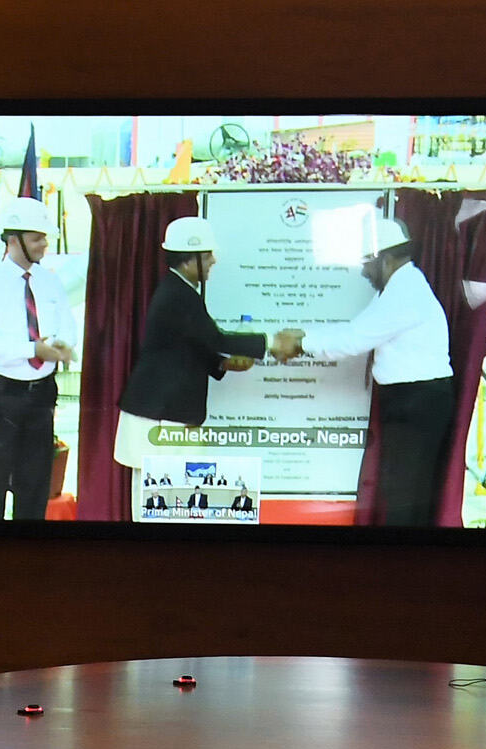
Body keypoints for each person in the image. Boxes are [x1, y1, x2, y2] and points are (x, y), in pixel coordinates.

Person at [274, 218, 455, 526]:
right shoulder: (397, 287)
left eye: (366, 263)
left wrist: (301, 343)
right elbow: (355, 329)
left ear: (383, 259)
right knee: (404, 490)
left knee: (404, 494)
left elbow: (355, 338)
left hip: (418, 401)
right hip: (412, 400)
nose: (363, 272)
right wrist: (303, 334)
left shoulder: (405, 292)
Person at [115, 218, 269, 513]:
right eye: (208, 254)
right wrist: (270, 342)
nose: (213, 260)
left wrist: (222, 364)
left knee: (165, 501)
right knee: (158, 502)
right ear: (190, 259)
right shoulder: (178, 295)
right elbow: (214, 337)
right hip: (161, 415)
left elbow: (189, 345)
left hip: (164, 412)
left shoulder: (180, 291)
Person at [0, 196, 75, 521]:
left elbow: (66, 325)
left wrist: (63, 346)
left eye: (44, 238)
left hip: (41, 395)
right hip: (3, 396)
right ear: (14, 239)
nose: (43, 245)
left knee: (35, 488)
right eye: (37, 238)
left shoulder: (50, 281)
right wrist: (33, 350)